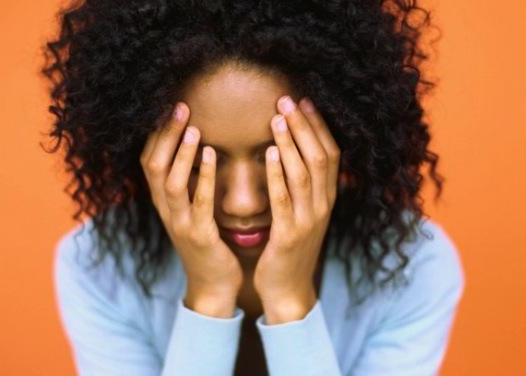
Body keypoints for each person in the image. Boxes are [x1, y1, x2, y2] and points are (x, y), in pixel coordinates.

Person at [42, 1, 465, 375]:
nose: (242, 202)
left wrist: (289, 301)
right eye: (201, 159)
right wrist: (208, 299)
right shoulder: (98, 268)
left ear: (337, 140)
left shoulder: (414, 270)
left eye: (276, 154)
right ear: (146, 150)